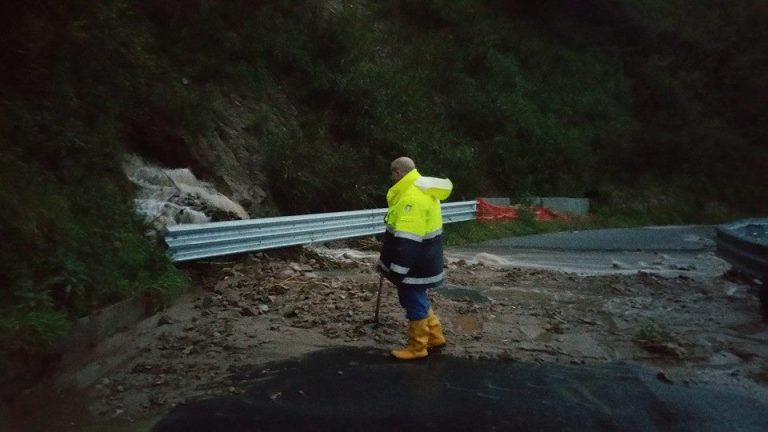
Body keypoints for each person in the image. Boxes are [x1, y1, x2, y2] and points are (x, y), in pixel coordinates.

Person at [377, 156, 453, 360]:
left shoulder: (411, 197)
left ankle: (418, 348)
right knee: (419, 298)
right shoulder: (422, 189)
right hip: (426, 259)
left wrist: (397, 269)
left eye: (392, 173)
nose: (391, 177)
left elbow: (407, 240)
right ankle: (435, 338)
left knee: (412, 300)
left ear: (398, 173)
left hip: (414, 264)